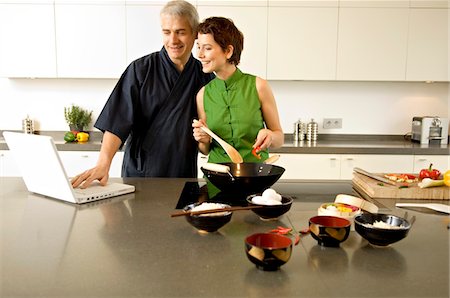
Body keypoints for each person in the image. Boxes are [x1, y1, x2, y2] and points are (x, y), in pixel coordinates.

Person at [71, 0, 214, 189]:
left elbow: (208, 134)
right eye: (166, 32)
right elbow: (117, 122)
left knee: (180, 219)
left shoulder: (205, 76)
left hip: (182, 173)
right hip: (141, 172)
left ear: (195, 32)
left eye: (180, 32)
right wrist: (103, 164)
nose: (173, 40)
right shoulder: (141, 69)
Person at [192, 17, 283, 163]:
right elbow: (205, 150)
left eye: (207, 48)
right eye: (198, 46)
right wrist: (203, 140)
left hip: (254, 176)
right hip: (218, 179)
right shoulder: (203, 95)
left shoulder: (259, 86)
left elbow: (279, 138)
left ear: (228, 51)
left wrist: (270, 136)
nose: (199, 54)